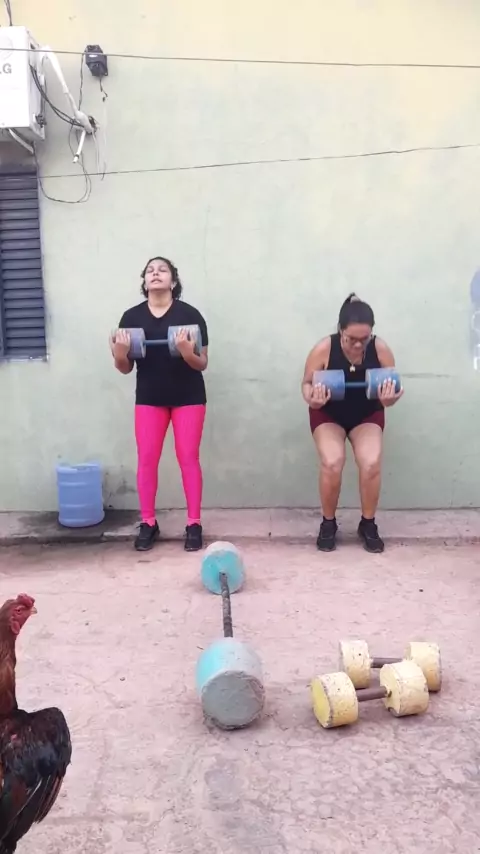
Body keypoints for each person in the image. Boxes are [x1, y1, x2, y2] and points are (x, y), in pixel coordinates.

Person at [110, 256, 208, 552]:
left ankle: (194, 523)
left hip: (188, 397)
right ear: (144, 281)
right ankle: (148, 522)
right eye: (150, 271)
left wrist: (186, 351)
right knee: (147, 459)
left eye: (162, 270)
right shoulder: (131, 318)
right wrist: (120, 353)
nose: (155, 273)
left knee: (188, 458)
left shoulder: (190, 315)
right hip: (149, 398)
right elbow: (124, 367)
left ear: (173, 281)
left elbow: (202, 363)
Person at [301, 293, 403, 553]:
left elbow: (391, 390)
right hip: (328, 413)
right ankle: (328, 523)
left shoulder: (380, 349)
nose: (358, 345)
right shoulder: (324, 348)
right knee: (332, 461)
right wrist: (312, 398)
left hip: (366, 414)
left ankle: (367, 524)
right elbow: (306, 383)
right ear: (340, 331)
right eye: (351, 339)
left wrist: (390, 399)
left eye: (364, 339)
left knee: (370, 462)